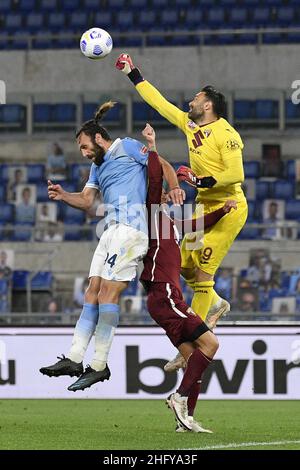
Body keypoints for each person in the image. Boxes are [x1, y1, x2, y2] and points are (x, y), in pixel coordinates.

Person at [39, 102, 184, 392]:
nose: (84, 153)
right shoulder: (97, 166)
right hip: (110, 230)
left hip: (131, 231)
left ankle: (99, 364)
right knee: (92, 290)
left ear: (98, 138)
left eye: (84, 146)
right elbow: (87, 201)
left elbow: (162, 164)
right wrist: (63, 195)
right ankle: (75, 358)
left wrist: (175, 186)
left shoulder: (128, 147)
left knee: (108, 292)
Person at [116, 53, 248, 370]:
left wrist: (200, 179)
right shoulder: (191, 125)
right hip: (204, 205)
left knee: (201, 277)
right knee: (185, 268)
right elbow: (160, 104)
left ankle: (192, 341)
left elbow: (236, 174)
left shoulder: (227, 135)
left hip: (229, 208)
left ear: (208, 106)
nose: (191, 100)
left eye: (197, 98)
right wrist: (133, 73)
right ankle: (216, 304)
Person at [140, 123, 237, 432]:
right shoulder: (154, 218)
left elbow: (201, 222)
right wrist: (153, 147)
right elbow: (155, 180)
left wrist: (223, 210)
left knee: (194, 358)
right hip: (165, 295)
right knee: (211, 344)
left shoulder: (175, 224)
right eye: (164, 195)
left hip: (166, 299)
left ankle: (186, 420)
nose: (168, 196)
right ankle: (180, 398)